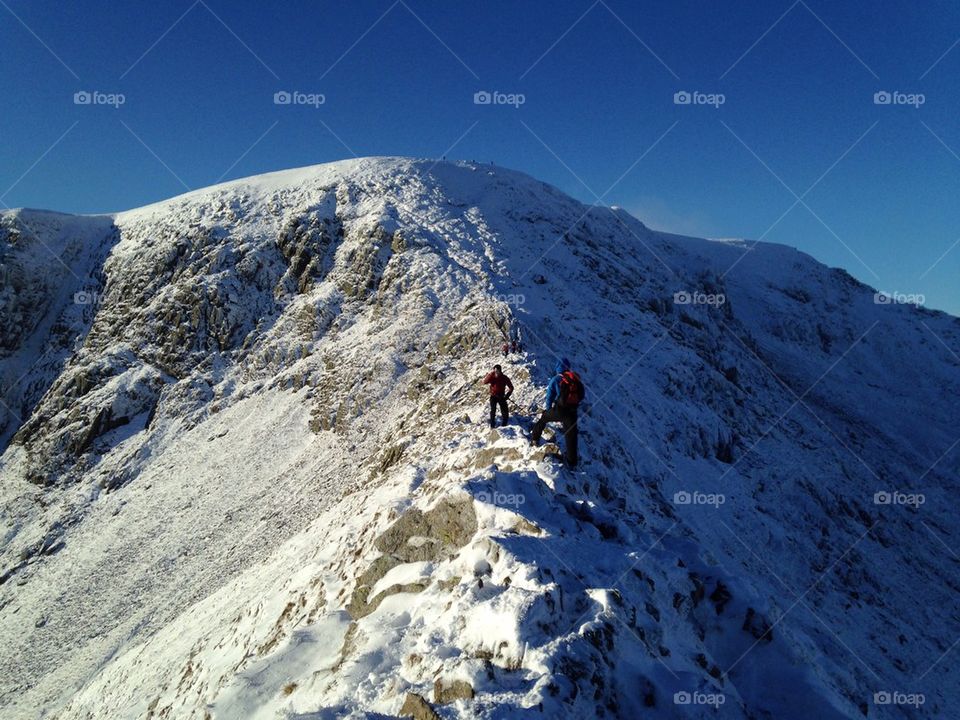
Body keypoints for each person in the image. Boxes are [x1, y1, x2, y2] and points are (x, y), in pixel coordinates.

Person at [530, 358, 585, 467]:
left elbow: (549, 397)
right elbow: (581, 396)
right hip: (572, 412)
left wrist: (548, 410)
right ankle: (572, 463)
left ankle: (535, 439)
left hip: (559, 410)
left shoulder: (556, 379)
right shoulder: (575, 379)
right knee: (571, 436)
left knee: (543, 418)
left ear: (558, 367)